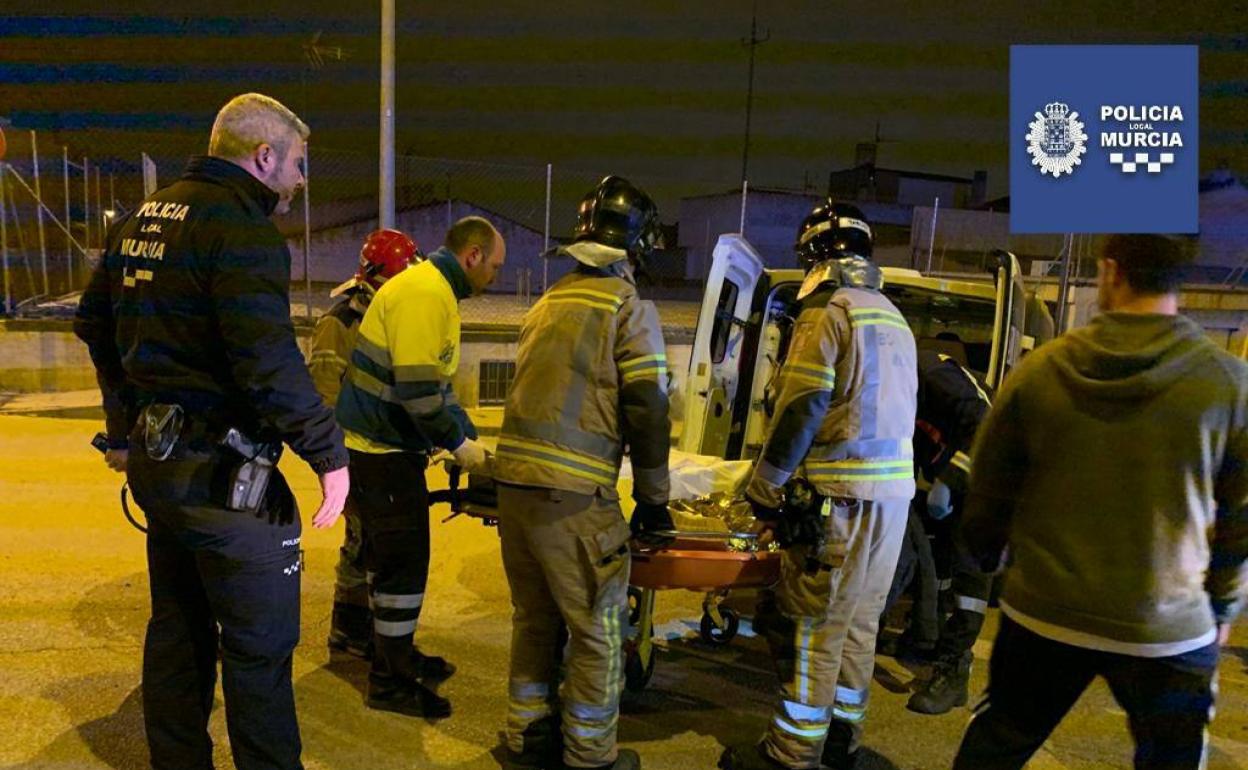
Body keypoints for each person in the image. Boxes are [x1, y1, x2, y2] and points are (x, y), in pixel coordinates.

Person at [74, 92, 350, 770]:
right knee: (259, 651)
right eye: (298, 165)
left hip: (161, 469)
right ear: (264, 156)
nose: (301, 181)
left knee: (178, 631)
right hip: (227, 482)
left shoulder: (146, 213)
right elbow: (267, 359)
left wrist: (121, 427)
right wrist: (328, 453)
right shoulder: (242, 229)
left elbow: (94, 322)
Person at [952, 233, 1248, 770]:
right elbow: (1241, 516)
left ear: (1111, 272)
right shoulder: (1228, 385)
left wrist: (991, 561)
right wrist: (1224, 603)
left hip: (1044, 610)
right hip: (1167, 626)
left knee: (999, 741)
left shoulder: (1039, 372)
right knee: (1172, 757)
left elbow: (988, 489)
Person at [720, 201, 918, 770]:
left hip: (840, 500)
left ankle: (790, 753)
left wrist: (764, 488)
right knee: (859, 623)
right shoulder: (892, 315)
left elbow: (802, 408)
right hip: (891, 504)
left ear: (811, 256)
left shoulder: (828, 312)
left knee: (813, 625)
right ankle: (842, 740)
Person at [492, 175, 673, 770]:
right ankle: (591, 757)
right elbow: (647, 405)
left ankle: (526, 737)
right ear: (637, 247)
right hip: (574, 503)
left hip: (515, 492)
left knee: (534, 620)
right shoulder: (626, 307)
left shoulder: (548, 302)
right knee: (597, 631)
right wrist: (653, 497)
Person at [335, 216, 502, 718]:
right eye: (494, 265)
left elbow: (439, 386)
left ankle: (396, 656)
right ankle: (389, 683)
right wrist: (459, 446)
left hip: (384, 449)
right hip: (379, 453)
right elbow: (418, 392)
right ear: (471, 256)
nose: (496, 275)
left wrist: (467, 432)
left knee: (391, 563)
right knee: (401, 570)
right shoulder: (427, 295)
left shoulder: (434, 291)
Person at [307, 228, 419, 658]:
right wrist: (334, 462)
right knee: (361, 540)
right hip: (352, 453)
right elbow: (325, 396)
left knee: (374, 540)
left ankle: (361, 625)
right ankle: (349, 628)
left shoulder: (388, 317)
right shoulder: (339, 324)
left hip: (382, 451)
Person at [895, 349, 993, 715]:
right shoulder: (896, 378)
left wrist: (950, 481)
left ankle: (954, 668)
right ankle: (930, 637)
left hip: (992, 474)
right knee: (936, 560)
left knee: (970, 572)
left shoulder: (935, 375)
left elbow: (987, 427)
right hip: (949, 476)